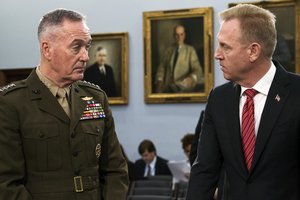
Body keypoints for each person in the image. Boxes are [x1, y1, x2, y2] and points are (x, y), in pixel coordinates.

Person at [0, 8, 128, 200]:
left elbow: (115, 169)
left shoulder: (95, 97)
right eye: (76, 47)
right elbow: (6, 184)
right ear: (47, 49)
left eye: (87, 46)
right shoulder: (11, 103)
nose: (85, 56)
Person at [187, 4, 300, 200]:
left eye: (225, 47)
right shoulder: (218, 99)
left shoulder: (296, 92)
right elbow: (204, 171)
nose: (217, 54)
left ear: (253, 51)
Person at [155, 24, 204, 93]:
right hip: (167, 89)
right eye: (176, 35)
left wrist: (192, 78)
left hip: (183, 89)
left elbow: (197, 70)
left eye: (181, 34)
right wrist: (159, 81)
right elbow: (162, 68)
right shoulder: (169, 50)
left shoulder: (190, 50)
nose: (179, 37)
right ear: (173, 36)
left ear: (184, 35)